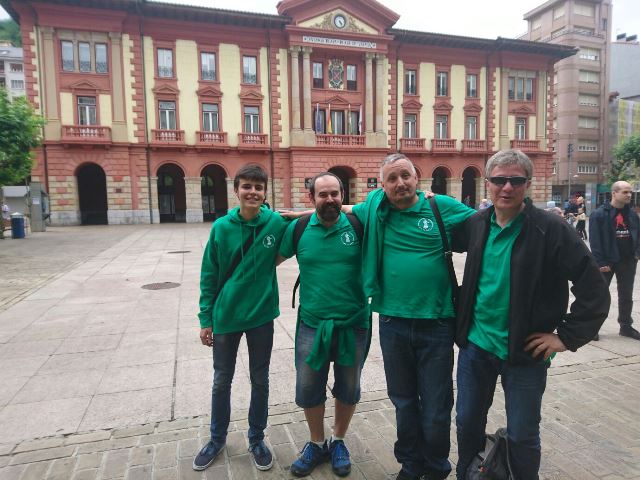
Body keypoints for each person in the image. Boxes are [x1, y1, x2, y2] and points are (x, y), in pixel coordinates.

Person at [454, 149, 610, 480]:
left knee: (523, 434)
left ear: (528, 183)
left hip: (526, 351)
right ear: (487, 183)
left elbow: (592, 285)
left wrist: (566, 336)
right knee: (467, 424)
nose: (507, 187)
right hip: (476, 346)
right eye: (499, 180)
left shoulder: (550, 228)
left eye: (516, 180)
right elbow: (432, 234)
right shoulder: (477, 224)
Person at [344, 153, 475, 480]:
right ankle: (411, 464)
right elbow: (339, 209)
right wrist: (293, 215)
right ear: (383, 186)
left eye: (405, 175)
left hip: (437, 323)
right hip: (393, 322)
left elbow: (486, 224)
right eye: (392, 178)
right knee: (403, 401)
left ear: (417, 178)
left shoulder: (439, 206)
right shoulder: (376, 209)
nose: (400, 183)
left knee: (436, 405)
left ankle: (436, 466)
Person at [194, 164, 289, 472]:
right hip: (226, 316)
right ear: (236, 190)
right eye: (246, 186)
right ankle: (216, 438)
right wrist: (205, 318)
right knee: (222, 380)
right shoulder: (221, 227)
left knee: (260, 379)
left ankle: (256, 438)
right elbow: (209, 274)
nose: (252, 192)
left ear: (265, 193)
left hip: (261, 316)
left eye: (258, 187)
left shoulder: (275, 223)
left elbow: (305, 222)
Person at [278, 172, 369, 477]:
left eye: (334, 194)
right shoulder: (299, 229)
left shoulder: (358, 225)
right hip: (312, 325)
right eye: (322, 195)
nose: (329, 199)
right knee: (308, 387)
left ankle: (338, 440)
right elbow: (269, 261)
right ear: (311, 198)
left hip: (353, 324)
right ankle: (317, 443)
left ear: (343, 196)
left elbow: (388, 210)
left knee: (349, 388)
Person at [589, 181, 640, 341]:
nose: (629, 195)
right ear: (614, 193)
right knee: (600, 295)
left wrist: (637, 253)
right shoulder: (599, 214)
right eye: (625, 192)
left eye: (630, 192)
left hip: (628, 261)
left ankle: (625, 326)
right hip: (607, 261)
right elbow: (595, 241)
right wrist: (600, 262)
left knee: (626, 295)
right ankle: (592, 328)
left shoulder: (632, 214)